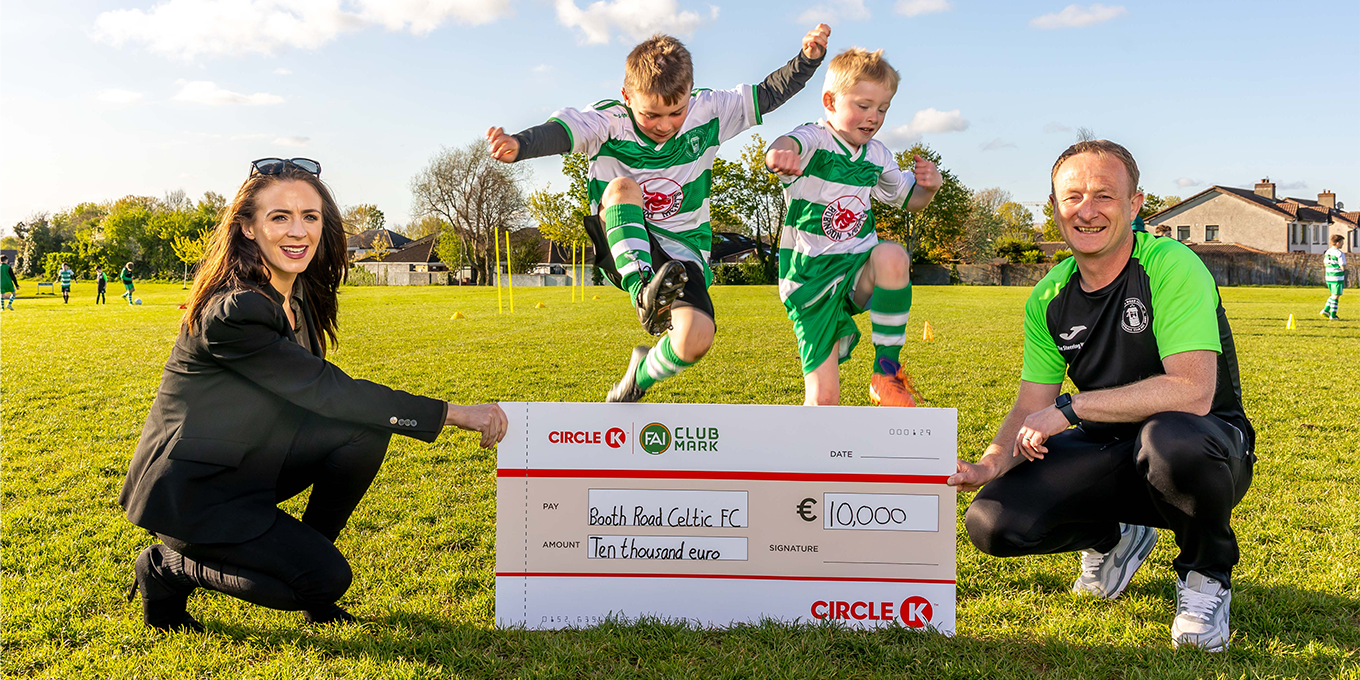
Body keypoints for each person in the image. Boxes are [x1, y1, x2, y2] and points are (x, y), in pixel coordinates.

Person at [119, 158, 509, 632]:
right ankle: (166, 567)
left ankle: (307, 554)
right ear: (247, 227)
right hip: (196, 493)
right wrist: (452, 413)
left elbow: (330, 402)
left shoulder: (298, 290)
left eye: (310, 216)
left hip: (248, 466)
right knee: (324, 581)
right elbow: (327, 390)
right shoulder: (235, 311)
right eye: (279, 216)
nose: (297, 230)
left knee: (362, 434)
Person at [948, 140, 1254, 652]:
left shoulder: (1170, 265)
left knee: (1169, 437)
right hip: (1111, 449)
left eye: (1104, 196)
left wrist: (1072, 408)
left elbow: (1194, 392)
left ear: (1134, 206)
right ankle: (1114, 538)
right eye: (1072, 197)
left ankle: (1206, 577)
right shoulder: (1049, 296)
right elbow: (1029, 405)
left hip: (1206, 448)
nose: (1086, 211)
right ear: (1053, 208)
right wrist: (990, 464)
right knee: (992, 524)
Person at [486, 25, 832, 403]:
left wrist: (807, 61)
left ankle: (640, 374)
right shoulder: (607, 120)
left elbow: (766, 94)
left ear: (689, 94)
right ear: (626, 96)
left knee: (694, 338)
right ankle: (644, 293)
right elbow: (560, 133)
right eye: (652, 115)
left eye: (676, 112)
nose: (665, 125)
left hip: (684, 251)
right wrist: (519, 143)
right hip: (622, 239)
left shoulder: (709, 110)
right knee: (622, 187)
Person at [765, 48, 942, 406]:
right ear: (829, 101)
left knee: (892, 255)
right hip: (810, 282)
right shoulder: (815, 139)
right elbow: (785, 144)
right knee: (825, 398)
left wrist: (930, 187)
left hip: (855, 269)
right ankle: (809, 459)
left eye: (882, 109)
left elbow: (911, 200)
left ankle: (886, 374)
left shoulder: (877, 155)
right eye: (863, 106)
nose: (873, 117)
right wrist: (778, 154)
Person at [1320, 233, 1346, 320]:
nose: (1343, 244)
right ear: (1338, 243)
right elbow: (1342, 265)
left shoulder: (1328, 251)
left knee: (1333, 294)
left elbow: (1325, 263)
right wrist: (1343, 269)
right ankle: (1333, 315)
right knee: (1336, 295)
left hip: (1328, 275)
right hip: (1337, 276)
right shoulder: (1339, 253)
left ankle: (1326, 310)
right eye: (1342, 242)